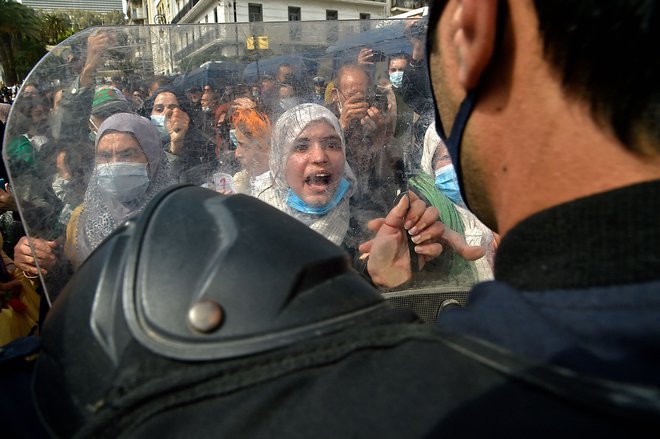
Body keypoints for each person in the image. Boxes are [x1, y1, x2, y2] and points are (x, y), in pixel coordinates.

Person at [64, 113, 173, 269]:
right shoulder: (80, 220)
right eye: (105, 156)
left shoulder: (177, 212)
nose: (114, 164)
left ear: (153, 157)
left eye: (127, 154)